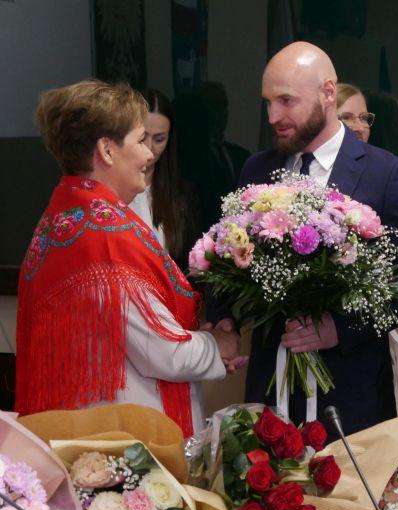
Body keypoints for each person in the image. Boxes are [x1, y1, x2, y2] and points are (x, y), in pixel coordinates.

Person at [207, 42, 398, 437]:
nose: (273, 116)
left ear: (328, 93)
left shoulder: (387, 174)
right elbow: (227, 256)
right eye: (268, 103)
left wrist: (341, 327)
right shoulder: (257, 168)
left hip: (351, 396)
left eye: (286, 101)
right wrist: (224, 317)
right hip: (270, 389)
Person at [15, 80, 240, 436]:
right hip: (126, 438)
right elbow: (165, 352)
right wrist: (218, 345)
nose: (149, 155)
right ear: (107, 150)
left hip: (88, 427)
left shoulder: (61, 217)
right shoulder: (105, 237)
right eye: (139, 141)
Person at [127, 88, 198, 268]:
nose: (149, 148)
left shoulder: (183, 195)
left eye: (159, 139)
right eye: (142, 138)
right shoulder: (109, 191)